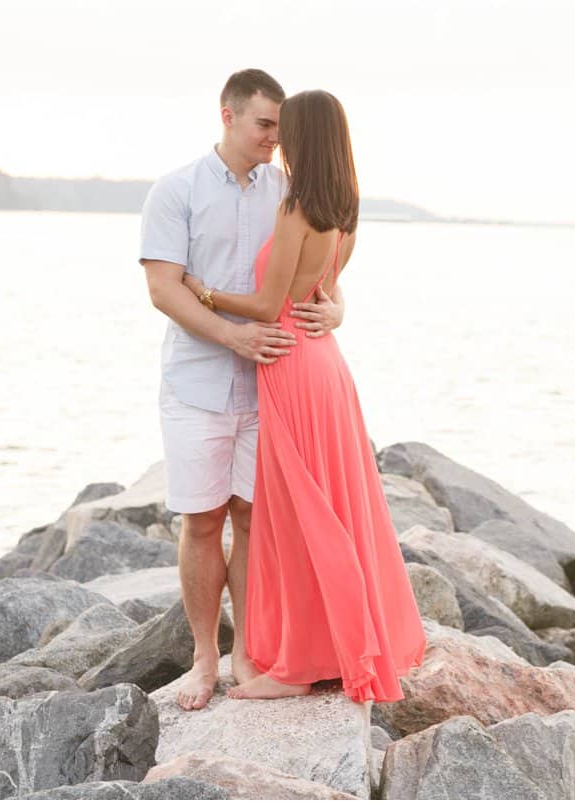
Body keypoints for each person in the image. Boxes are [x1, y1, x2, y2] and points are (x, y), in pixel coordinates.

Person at [179, 89, 426, 702]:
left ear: (306, 138)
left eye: (287, 130)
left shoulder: (296, 208)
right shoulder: (346, 208)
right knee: (335, 509)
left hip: (290, 365)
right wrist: (336, 311)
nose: (278, 138)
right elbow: (327, 291)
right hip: (325, 366)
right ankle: (334, 644)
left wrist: (203, 292)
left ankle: (298, 665)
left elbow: (269, 305)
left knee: (301, 520)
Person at [139, 69, 347, 712]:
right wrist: (234, 339)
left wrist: (336, 309)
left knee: (255, 519)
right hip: (198, 383)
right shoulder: (175, 191)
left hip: (273, 386)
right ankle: (205, 657)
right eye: (264, 125)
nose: (275, 139)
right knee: (202, 520)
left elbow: (321, 275)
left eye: (281, 129)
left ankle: (249, 652)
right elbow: (163, 288)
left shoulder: (290, 189)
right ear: (227, 116)